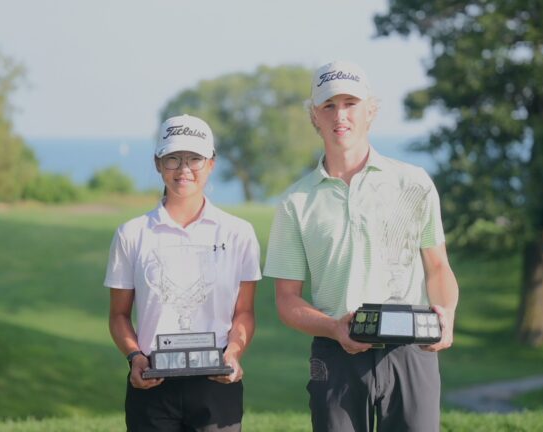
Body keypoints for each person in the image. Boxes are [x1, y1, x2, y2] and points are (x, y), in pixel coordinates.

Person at [263, 61, 459, 432]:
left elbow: (437, 267)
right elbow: (287, 300)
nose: (341, 115)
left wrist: (447, 313)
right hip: (336, 351)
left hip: (411, 350)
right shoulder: (295, 202)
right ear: (314, 117)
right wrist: (335, 328)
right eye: (328, 106)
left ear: (370, 110)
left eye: (351, 103)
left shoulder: (413, 183)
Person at [105, 114, 261, 431]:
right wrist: (135, 358)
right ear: (157, 163)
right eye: (173, 159)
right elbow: (119, 315)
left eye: (194, 159)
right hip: (152, 380)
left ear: (212, 163)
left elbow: (244, 312)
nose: (184, 169)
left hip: (217, 381)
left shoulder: (238, 233)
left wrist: (233, 353)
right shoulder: (132, 234)